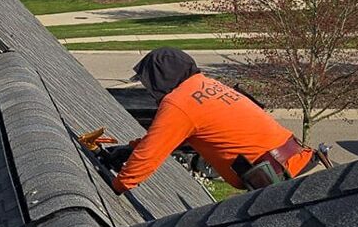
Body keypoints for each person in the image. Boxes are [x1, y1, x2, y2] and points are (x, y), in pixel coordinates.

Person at [107, 47, 322, 193]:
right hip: (302, 163)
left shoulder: (178, 102)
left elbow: (149, 155)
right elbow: (167, 139)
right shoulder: (207, 84)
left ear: (158, 79)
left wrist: (116, 186)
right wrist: (128, 150)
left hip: (286, 182)